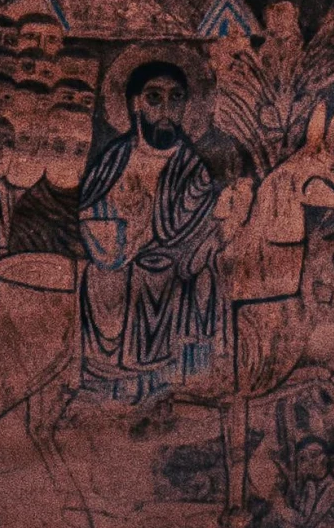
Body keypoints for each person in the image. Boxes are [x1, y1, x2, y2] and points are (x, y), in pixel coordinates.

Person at [78, 60, 226, 404]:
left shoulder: (192, 167)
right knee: (102, 277)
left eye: (176, 98)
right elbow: (90, 209)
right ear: (134, 105)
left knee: (169, 275)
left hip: (174, 267)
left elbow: (202, 225)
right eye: (154, 98)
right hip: (115, 259)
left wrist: (160, 237)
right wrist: (117, 232)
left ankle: (168, 386)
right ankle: (111, 381)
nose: (166, 110)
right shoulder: (114, 158)